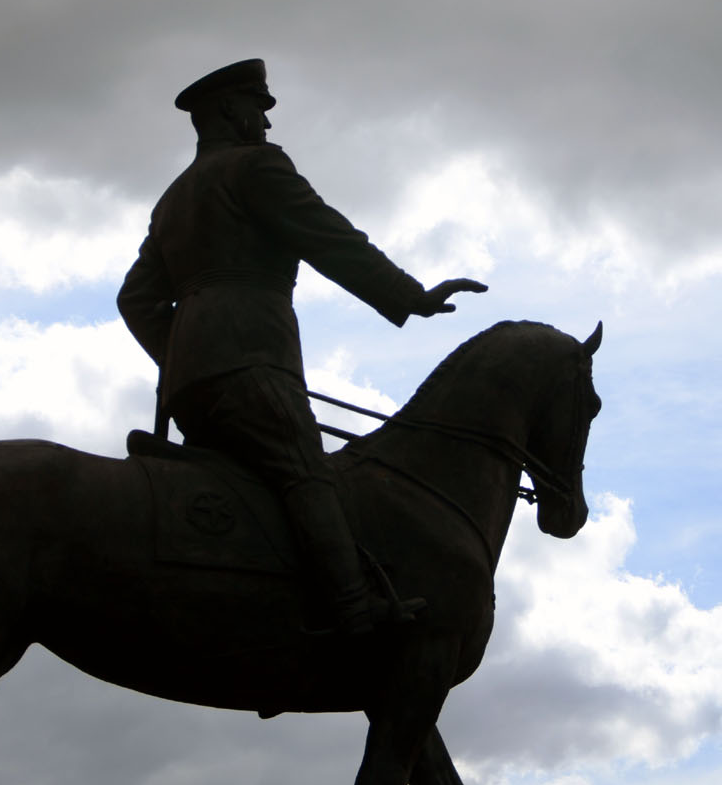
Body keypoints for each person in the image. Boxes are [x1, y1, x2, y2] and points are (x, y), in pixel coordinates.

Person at [118, 58, 486, 634]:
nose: (265, 122)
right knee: (304, 471)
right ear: (228, 110)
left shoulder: (173, 198)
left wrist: (186, 354)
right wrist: (409, 295)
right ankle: (353, 609)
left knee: (247, 488)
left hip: (190, 385)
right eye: (257, 108)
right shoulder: (258, 167)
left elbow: (133, 301)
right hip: (252, 362)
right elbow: (329, 237)